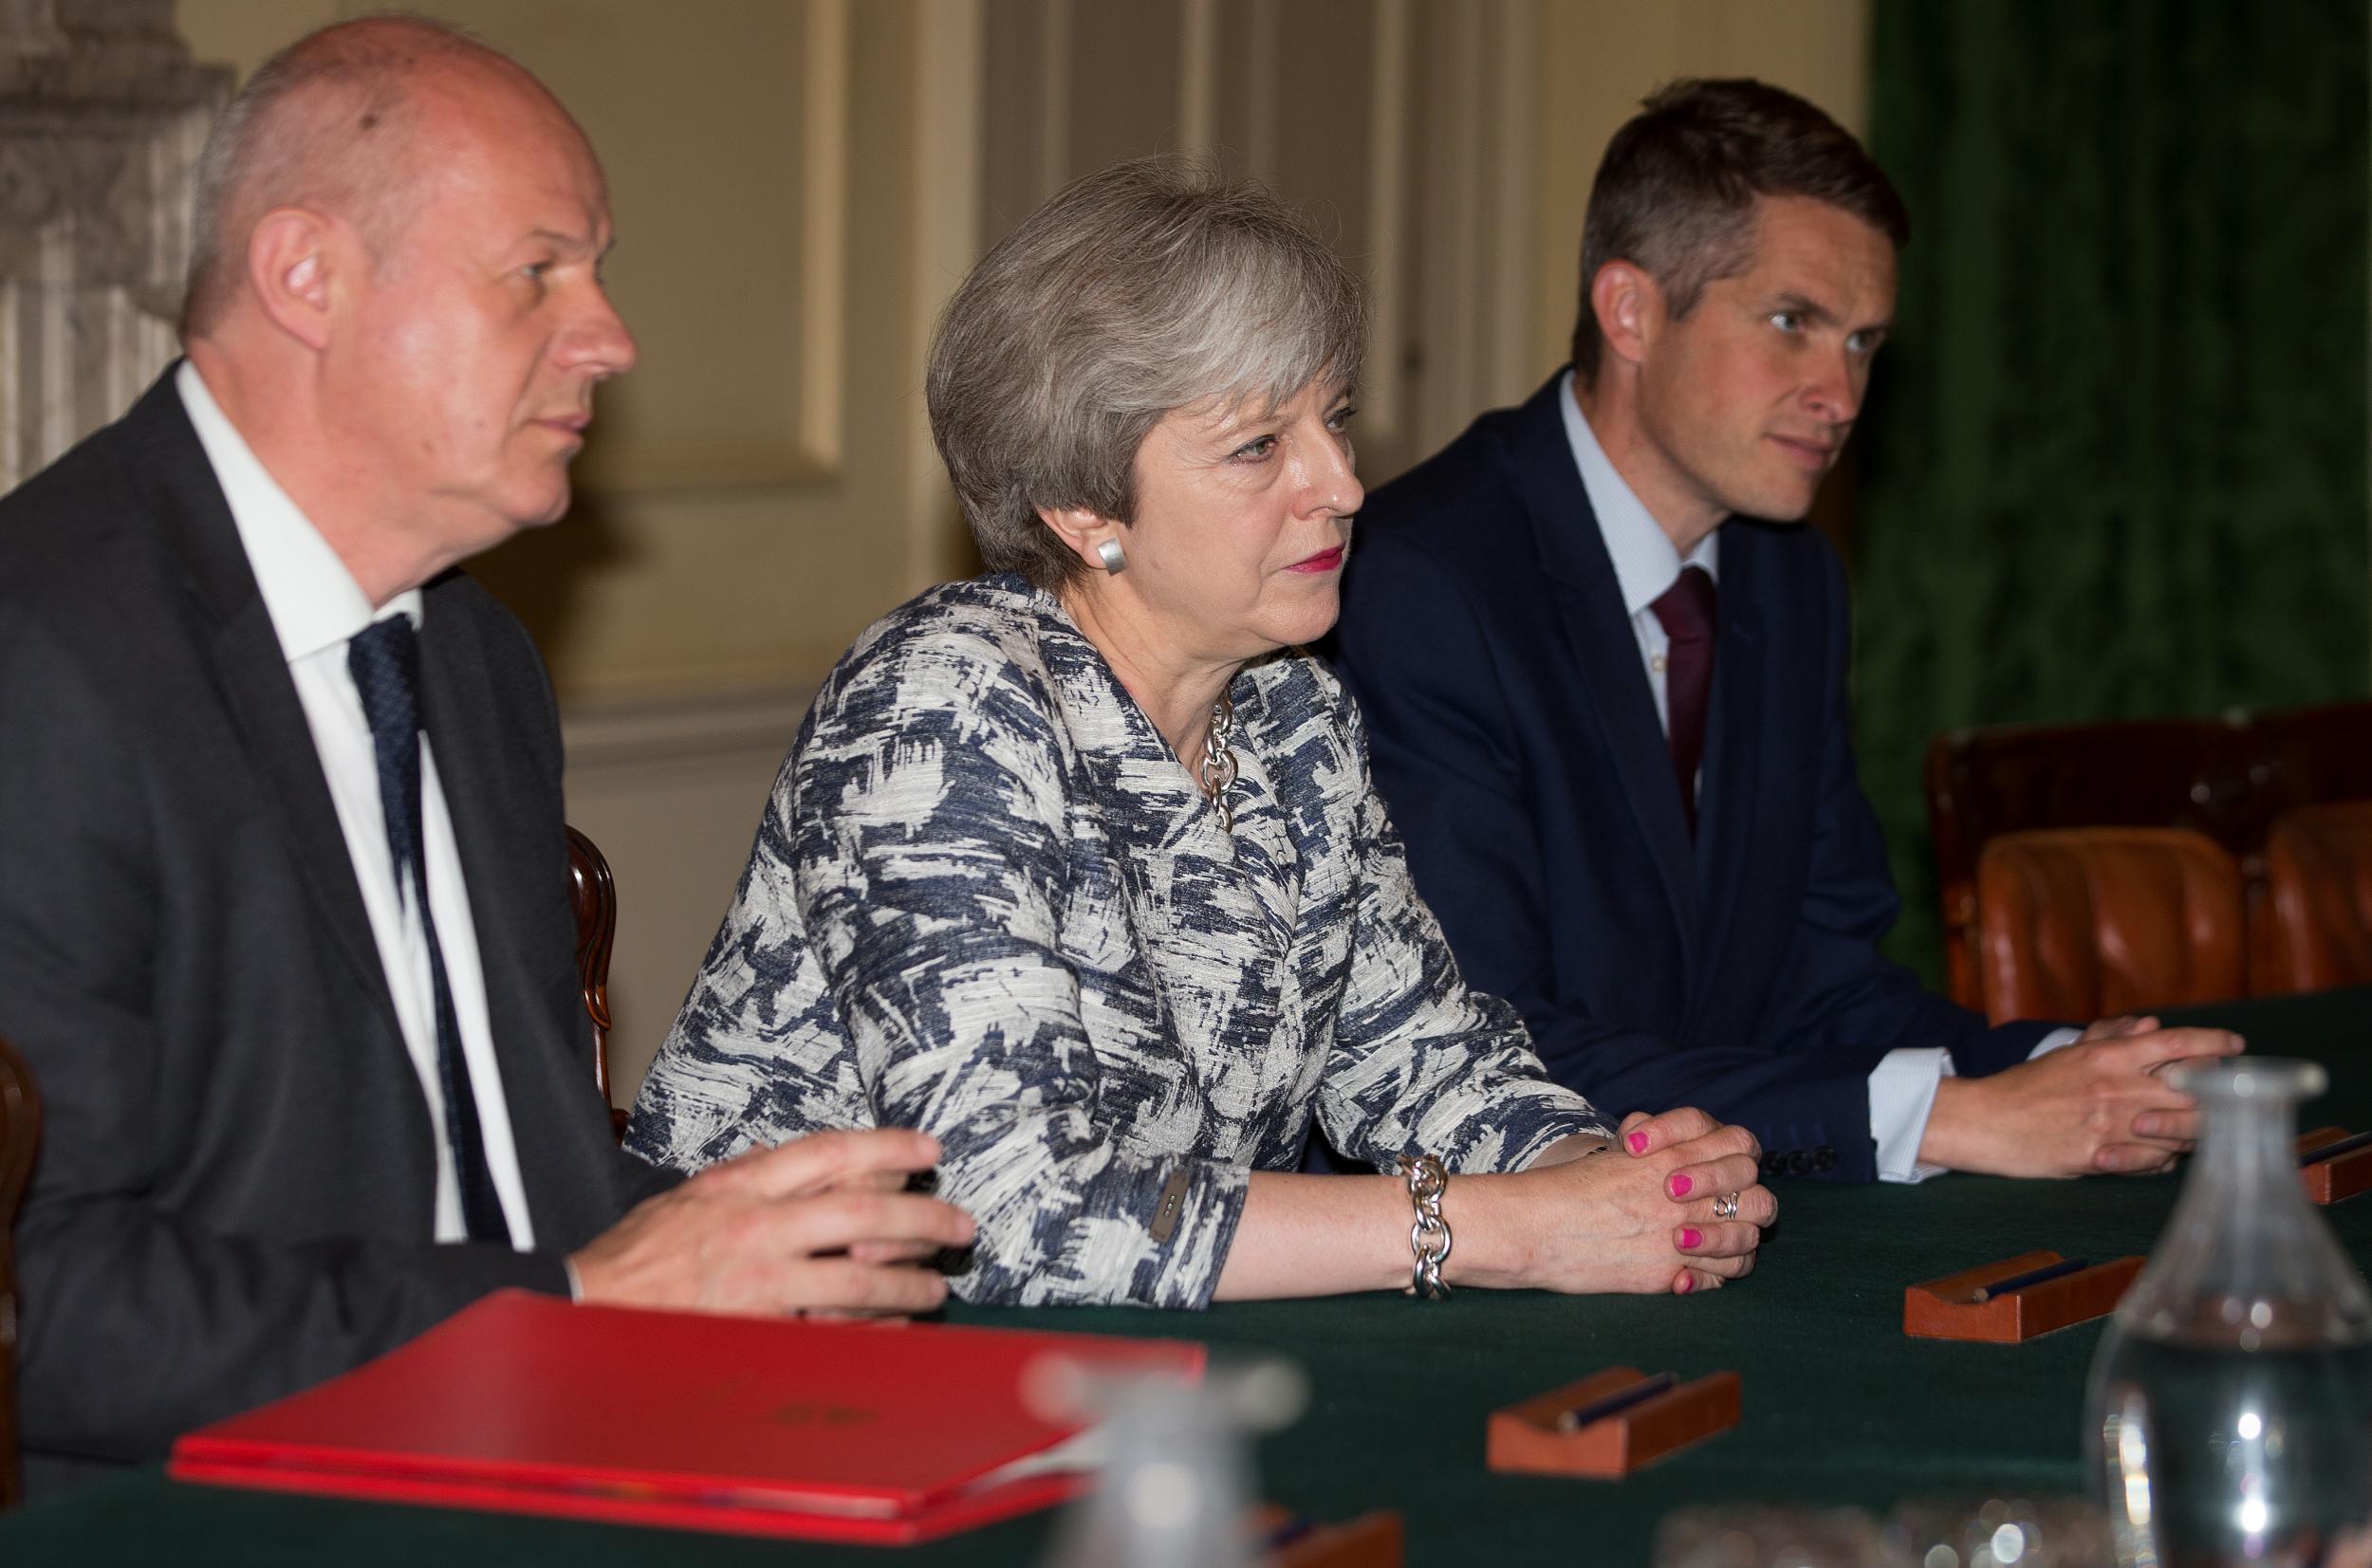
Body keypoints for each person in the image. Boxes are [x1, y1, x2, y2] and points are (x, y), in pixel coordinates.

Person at [0, 19, 973, 1493]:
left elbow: (497, 1189)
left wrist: (761, 1241)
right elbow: (47, 1307)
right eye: (540, 271)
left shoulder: (468, 657)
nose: (613, 336)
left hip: (514, 1462)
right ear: (308, 276)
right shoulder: (44, 652)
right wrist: (593, 1303)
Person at [627, 157, 1774, 1311]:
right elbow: (1010, 1217)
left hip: (1116, 1375)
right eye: (1257, 447)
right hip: (772, 1371)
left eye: (1330, 421)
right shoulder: (939, 704)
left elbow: (1424, 1064)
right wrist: (1492, 1231)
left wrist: (1611, 1187)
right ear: (1083, 511)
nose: (1343, 483)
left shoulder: (1294, 715)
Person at [1328, 78, 2240, 1188]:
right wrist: (1945, 1119)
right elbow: (1483, 1051)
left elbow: (1822, 980)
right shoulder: (1421, 578)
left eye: (1862, 343)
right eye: (1791, 324)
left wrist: (2060, 1066)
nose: (1841, 393)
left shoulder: (1792, 575)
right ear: (1629, 311)